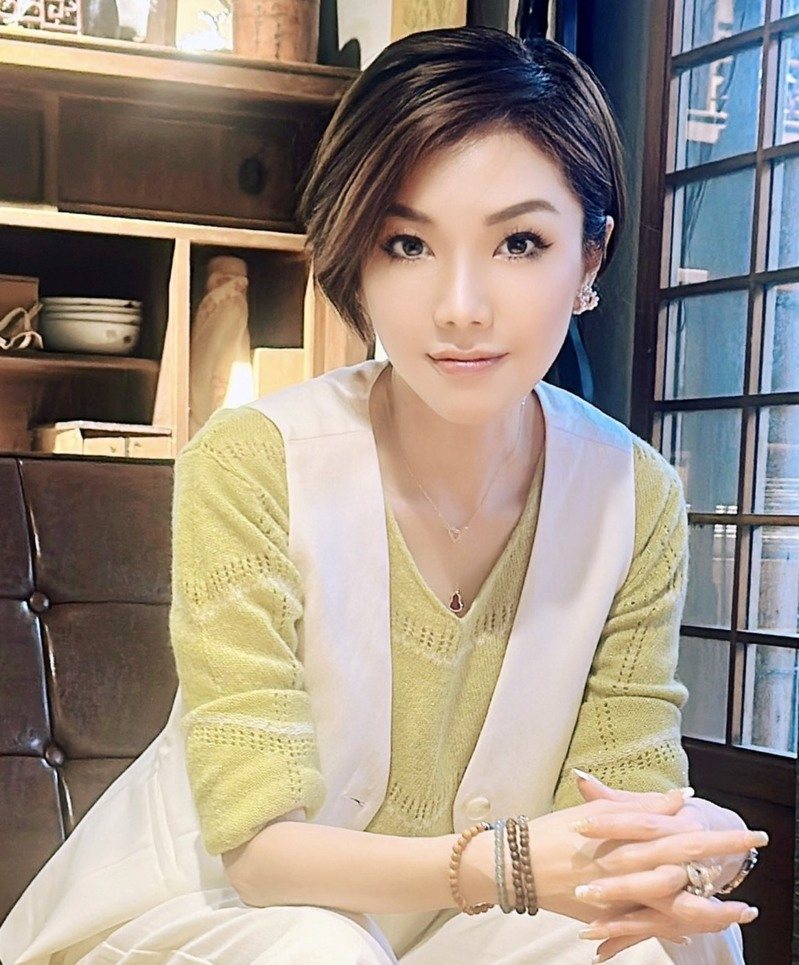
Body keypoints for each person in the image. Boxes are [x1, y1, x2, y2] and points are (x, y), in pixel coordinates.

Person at [0, 26, 769, 965]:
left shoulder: (631, 495)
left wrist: (693, 848)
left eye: (519, 242)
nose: (459, 306)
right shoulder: (253, 463)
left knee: (654, 948)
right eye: (407, 243)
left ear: (590, 260)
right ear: (355, 256)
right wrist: (511, 865)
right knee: (319, 950)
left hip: (460, 931)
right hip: (211, 912)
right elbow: (260, 855)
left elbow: (620, 810)